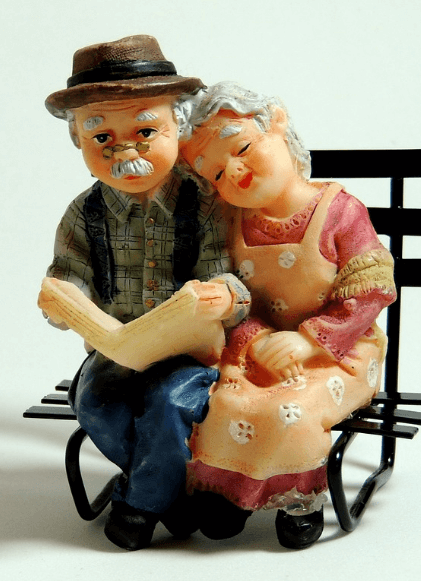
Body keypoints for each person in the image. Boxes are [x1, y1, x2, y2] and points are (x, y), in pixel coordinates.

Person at [38, 37, 249, 551]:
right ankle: (181, 498)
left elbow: (229, 272)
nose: (126, 151)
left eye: (146, 131)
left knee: (168, 402)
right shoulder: (83, 214)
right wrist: (62, 302)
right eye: (102, 137)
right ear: (78, 141)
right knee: (95, 405)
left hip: (187, 355)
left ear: (179, 127)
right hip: (116, 350)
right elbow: (71, 275)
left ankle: (141, 503)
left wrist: (225, 297)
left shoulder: (204, 202)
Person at [177, 81, 397, 549]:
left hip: (337, 351)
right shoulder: (230, 223)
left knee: (290, 411)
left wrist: (309, 340)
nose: (234, 172)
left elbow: (372, 289)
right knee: (222, 403)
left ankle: (298, 500)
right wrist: (256, 340)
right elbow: (228, 296)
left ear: (277, 123)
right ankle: (226, 494)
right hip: (257, 350)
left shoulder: (341, 211)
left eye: (242, 149)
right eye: (216, 174)